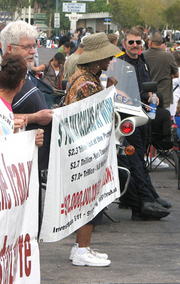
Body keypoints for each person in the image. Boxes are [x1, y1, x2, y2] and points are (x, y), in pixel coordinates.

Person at [65, 32, 120, 267]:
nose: (110, 61)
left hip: (80, 148)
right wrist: (109, 91)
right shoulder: (88, 83)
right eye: (107, 57)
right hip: (86, 150)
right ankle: (82, 249)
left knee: (87, 200)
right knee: (89, 200)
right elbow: (95, 116)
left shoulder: (83, 76)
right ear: (97, 61)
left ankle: (81, 246)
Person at [117, 27, 171, 221]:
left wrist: (152, 96)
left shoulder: (143, 61)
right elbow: (112, 87)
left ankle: (150, 196)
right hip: (126, 116)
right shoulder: (119, 62)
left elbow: (147, 85)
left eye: (138, 42)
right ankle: (146, 199)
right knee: (134, 159)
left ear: (144, 43)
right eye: (131, 42)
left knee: (139, 158)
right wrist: (121, 95)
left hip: (142, 113)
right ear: (124, 44)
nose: (134, 45)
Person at [0, 20, 53, 172]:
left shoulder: (27, 74)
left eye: (34, 46)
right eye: (27, 47)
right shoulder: (0, 78)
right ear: (9, 48)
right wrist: (34, 118)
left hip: (32, 162)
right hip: (13, 165)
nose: (32, 51)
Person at [143, 30, 179, 108]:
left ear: (150, 42)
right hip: (164, 97)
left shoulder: (143, 55)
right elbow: (176, 74)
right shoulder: (168, 56)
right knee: (164, 118)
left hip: (147, 97)